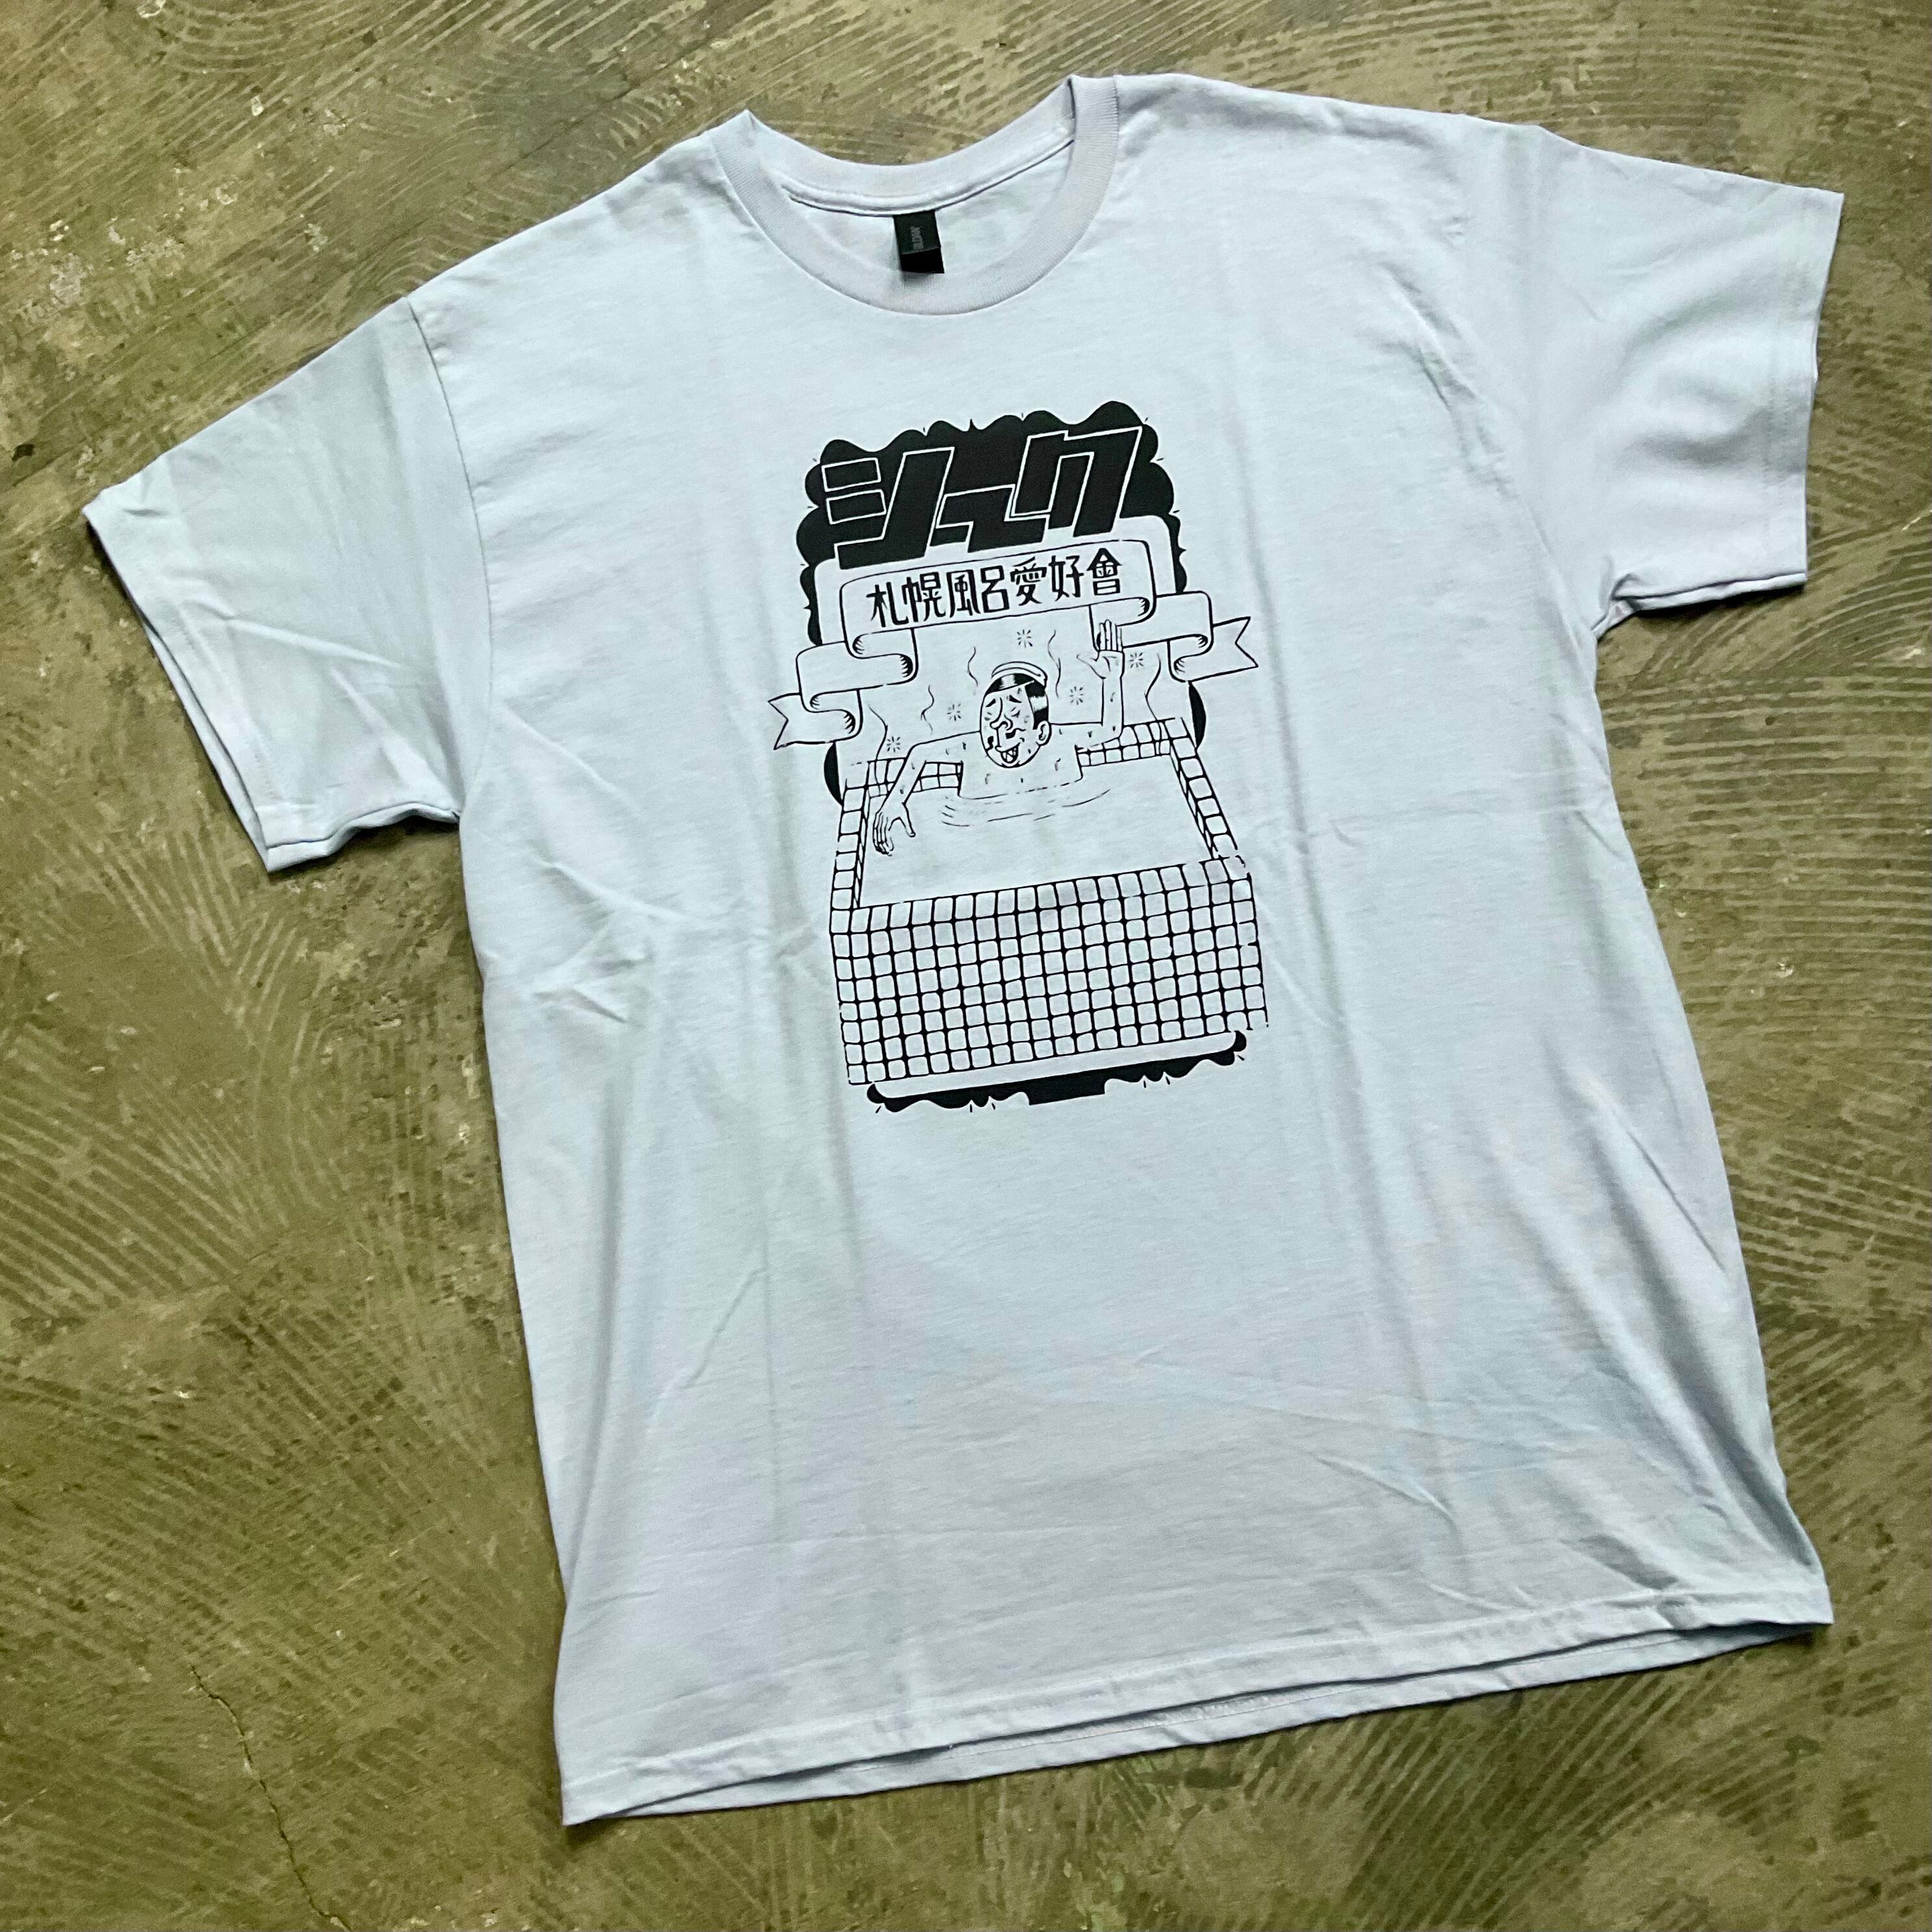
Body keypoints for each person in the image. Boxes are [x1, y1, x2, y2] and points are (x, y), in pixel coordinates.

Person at [870, 620, 1126, 853]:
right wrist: (894, 801)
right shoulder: (972, 748)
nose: (999, 736)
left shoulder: (1059, 740)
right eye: (990, 721)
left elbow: (1110, 731)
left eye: (1012, 722)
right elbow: (920, 754)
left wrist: (1112, 679)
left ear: (1042, 732)